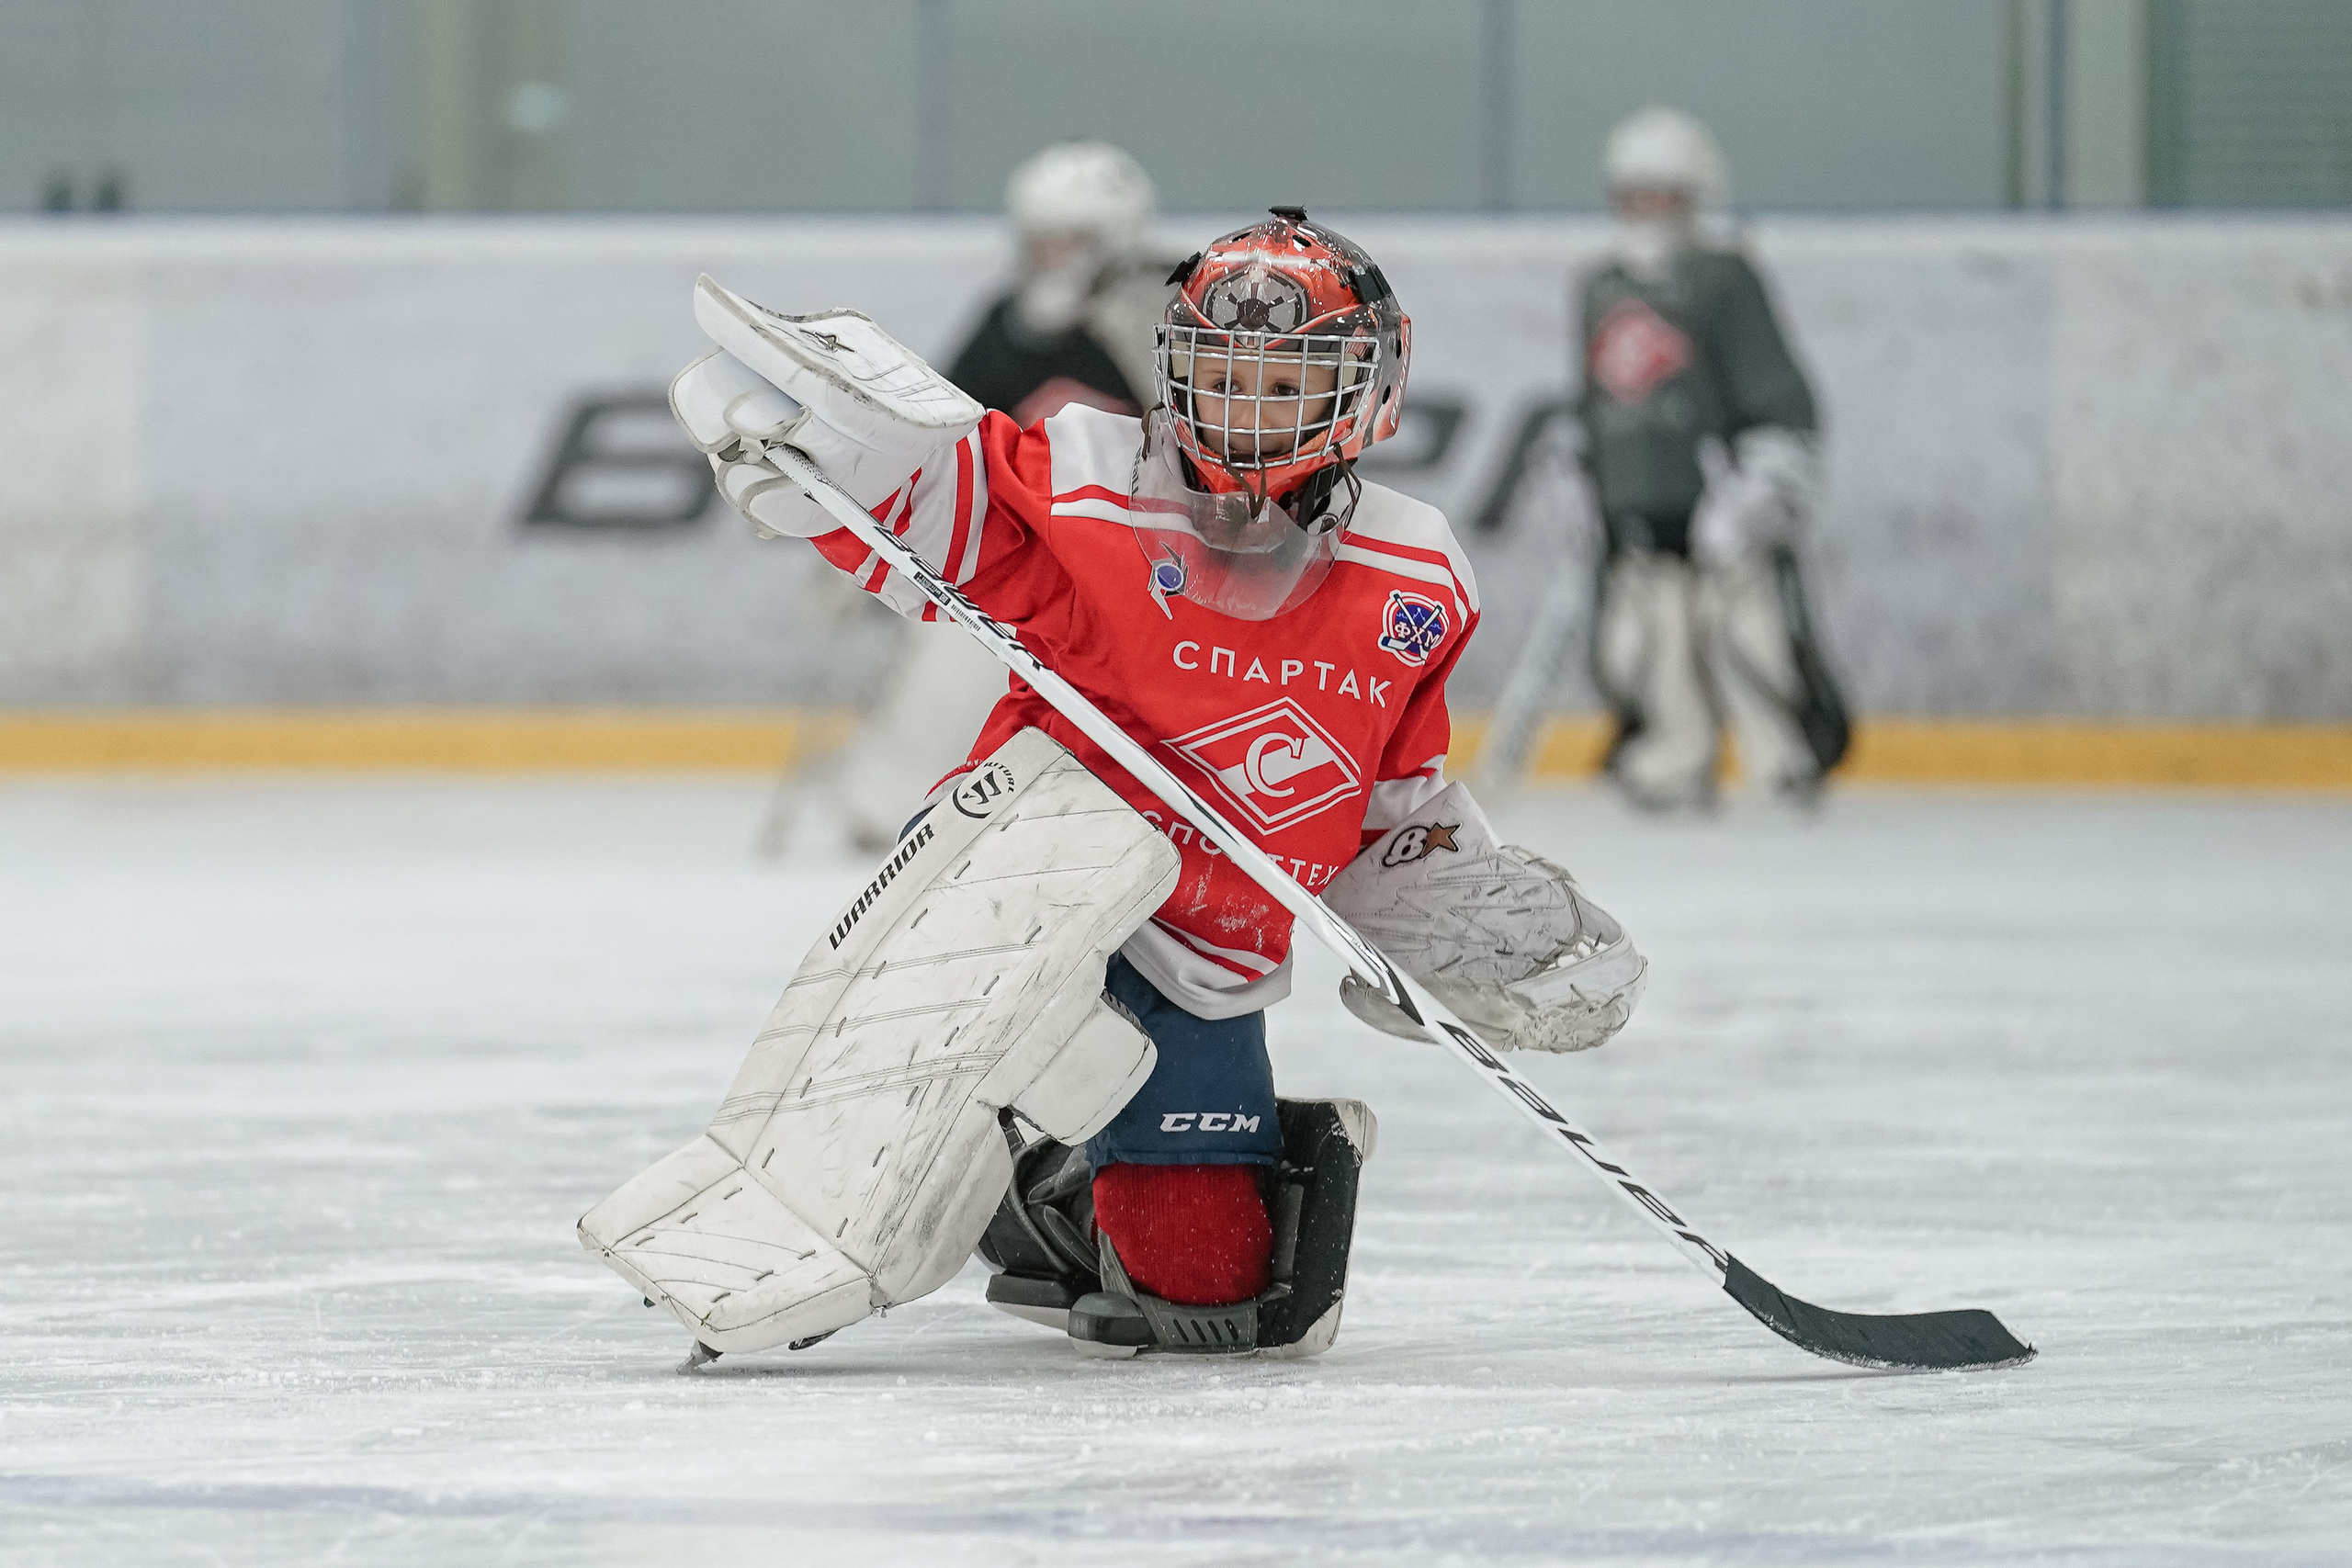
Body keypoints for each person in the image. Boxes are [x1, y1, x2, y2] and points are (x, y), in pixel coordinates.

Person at [586, 212, 1646, 1363]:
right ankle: (970, 1152)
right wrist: (826, 461)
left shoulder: (1416, 571)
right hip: (1022, 906)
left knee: (1211, 1296)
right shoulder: (1092, 481)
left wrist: (1452, 907)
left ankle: (1040, 1186)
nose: (1249, 410)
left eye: (1289, 380)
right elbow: (955, 497)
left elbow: (1388, 792)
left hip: (1206, 953)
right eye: (1220, 377)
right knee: (902, 1143)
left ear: (1368, 390)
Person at [786, 142, 1179, 853]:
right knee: (955, 627)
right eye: (1039, 238)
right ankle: (901, 800)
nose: (1050, 255)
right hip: (1029, 544)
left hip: (1143, 553)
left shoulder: (1169, 317)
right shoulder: (1006, 321)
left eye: (1069, 239)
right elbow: (936, 429)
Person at [1577, 107, 1849, 809]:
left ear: (1696, 195)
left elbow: (1778, 396)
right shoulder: (1600, 285)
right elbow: (1599, 401)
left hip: (1723, 497)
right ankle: (1672, 755)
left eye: (1663, 193)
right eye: (1634, 193)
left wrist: (1762, 484)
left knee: (1745, 627)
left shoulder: (1726, 280)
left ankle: (1779, 757)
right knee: (1649, 637)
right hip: (1646, 509)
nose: (1647, 210)